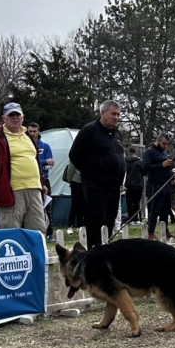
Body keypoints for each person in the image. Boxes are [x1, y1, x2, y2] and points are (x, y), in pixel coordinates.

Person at [69, 100, 125, 244]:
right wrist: (91, 173)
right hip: (96, 186)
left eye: (118, 114)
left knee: (109, 223)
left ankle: (107, 252)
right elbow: (74, 155)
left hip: (114, 188)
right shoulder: (89, 131)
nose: (117, 117)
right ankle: (94, 252)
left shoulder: (116, 133)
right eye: (113, 114)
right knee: (96, 221)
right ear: (103, 113)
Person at [0, 103, 46, 231]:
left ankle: (36, 251)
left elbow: (35, 161)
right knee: (10, 229)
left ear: (22, 117)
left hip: (34, 189)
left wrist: (42, 183)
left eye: (17, 115)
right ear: (4, 118)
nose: (15, 118)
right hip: (11, 190)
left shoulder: (28, 136)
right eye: (11, 115)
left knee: (38, 229)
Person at [143, 133, 175, 238]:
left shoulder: (165, 152)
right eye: (163, 144)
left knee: (166, 210)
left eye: (167, 144)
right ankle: (151, 232)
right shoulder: (149, 152)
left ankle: (165, 231)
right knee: (155, 210)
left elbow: (168, 169)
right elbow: (145, 168)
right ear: (157, 141)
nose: (165, 146)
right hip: (155, 185)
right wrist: (161, 165)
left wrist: (174, 179)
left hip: (166, 184)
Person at [123, 145, 144, 224]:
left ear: (128, 152)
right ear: (135, 152)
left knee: (129, 202)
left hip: (128, 184)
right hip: (138, 184)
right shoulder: (139, 161)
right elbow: (144, 172)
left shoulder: (125, 161)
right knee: (136, 202)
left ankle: (130, 218)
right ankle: (136, 219)